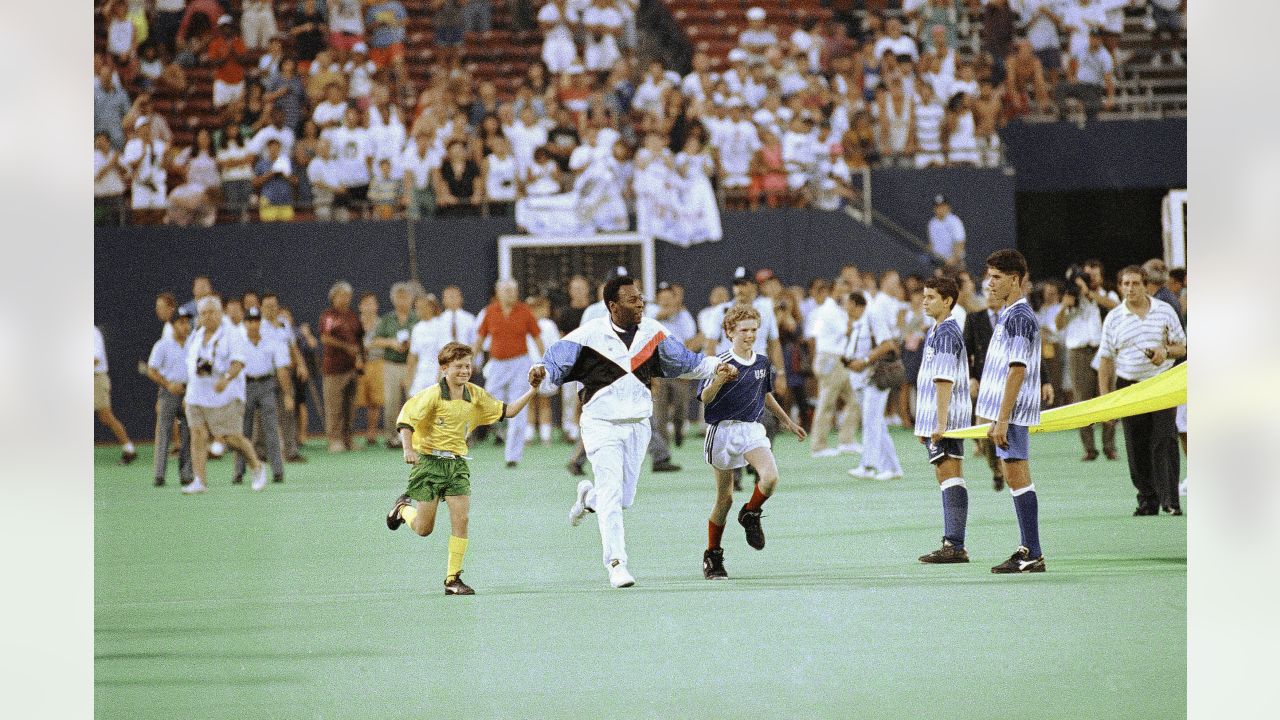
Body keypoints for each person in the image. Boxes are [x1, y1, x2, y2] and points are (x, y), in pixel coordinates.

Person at [536, 274, 734, 588]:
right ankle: (617, 564)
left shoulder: (653, 331)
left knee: (622, 498)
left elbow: (684, 361)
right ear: (613, 305)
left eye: (640, 298)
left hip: (638, 426)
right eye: (633, 300)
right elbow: (552, 370)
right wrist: (541, 377)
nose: (640, 303)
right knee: (613, 497)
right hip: (601, 426)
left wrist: (714, 367)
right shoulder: (587, 335)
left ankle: (588, 496)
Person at [386, 342, 541, 595]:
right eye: (458, 366)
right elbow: (406, 420)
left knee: (462, 519)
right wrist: (408, 449)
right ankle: (403, 510)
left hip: (457, 464)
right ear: (444, 368)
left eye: (468, 366)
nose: (465, 371)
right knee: (424, 529)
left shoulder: (475, 394)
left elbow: (509, 411)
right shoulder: (432, 395)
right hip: (429, 464)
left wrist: (533, 389)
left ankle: (452, 579)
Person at [699, 305, 807, 580]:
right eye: (743, 330)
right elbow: (705, 399)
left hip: (751, 430)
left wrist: (787, 421)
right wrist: (719, 381)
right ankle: (713, 554)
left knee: (770, 478)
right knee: (725, 498)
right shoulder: (719, 362)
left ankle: (751, 513)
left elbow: (765, 395)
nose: (749, 335)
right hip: (723, 432)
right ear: (729, 332)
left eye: (754, 330)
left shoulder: (761, 362)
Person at [974, 249, 1045, 573]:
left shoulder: (1017, 316)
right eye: (989, 276)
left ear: (1014, 280)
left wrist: (1001, 418)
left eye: (996, 277)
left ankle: (1032, 552)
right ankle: (1029, 549)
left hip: (1012, 414)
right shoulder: (1011, 313)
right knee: (1015, 478)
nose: (989, 283)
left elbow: (1017, 369)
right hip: (1008, 412)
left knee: (1018, 478)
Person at [1098, 265, 1187, 516]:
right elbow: (1106, 360)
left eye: (1135, 283)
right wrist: (1107, 399)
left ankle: (1170, 500)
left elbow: (1182, 346)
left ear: (1145, 285)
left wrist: (1165, 352)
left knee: (1165, 438)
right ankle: (1147, 499)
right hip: (1128, 385)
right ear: (1119, 286)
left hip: (1160, 382)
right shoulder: (1114, 318)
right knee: (1136, 443)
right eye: (1125, 284)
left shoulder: (1164, 311)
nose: (1130, 288)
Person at [913, 277, 973, 563]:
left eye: (931, 297)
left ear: (948, 300)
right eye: (924, 296)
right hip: (936, 418)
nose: (924, 301)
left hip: (945, 419)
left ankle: (955, 544)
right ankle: (953, 542)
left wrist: (939, 422)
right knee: (944, 474)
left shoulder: (948, 333)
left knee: (950, 473)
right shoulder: (936, 330)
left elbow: (944, 379)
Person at [183, 296, 268, 493]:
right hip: (197, 394)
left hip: (225, 395)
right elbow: (191, 365)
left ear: (220, 313)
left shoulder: (232, 334)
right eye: (204, 313)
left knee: (231, 437)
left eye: (212, 312)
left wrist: (226, 378)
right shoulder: (195, 335)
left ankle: (257, 466)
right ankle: (199, 480)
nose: (208, 316)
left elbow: (238, 362)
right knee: (197, 434)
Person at [474, 279, 543, 468]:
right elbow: (480, 339)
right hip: (497, 364)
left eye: (513, 290)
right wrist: (470, 360)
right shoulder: (490, 311)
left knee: (519, 409)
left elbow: (537, 337)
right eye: (506, 290)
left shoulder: (524, 311)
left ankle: (512, 456)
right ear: (498, 292)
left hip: (520, 363)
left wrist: (545, 361)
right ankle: (500, 428)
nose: (510, 294)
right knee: (487, 402)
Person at [1055, 259, 1119, 460]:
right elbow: (1058, 325)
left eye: (1094, 275)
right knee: (1082, 398)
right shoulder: (1072, 297)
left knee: (1107, 396)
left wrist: (1089, 292)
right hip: (1079, 352)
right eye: (1086, 276)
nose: (1089, 279)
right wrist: (1064, 306)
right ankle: (1089, 448)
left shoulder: (1107, 294)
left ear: (1100, 276)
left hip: (1103, 350)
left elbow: (1115, 307)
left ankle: (1110, 446)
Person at [846, 273, 905, 481]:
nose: (846, 308)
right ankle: (893, 467)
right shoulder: (858, 321)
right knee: (876, 422)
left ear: (855, 303)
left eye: (848, 304)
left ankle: (868, 465)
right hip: (862, 379)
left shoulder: (873, 314)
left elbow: (887, 344)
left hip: (876, 377)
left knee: (872, 422)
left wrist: (864, 361)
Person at [232, 307, 292, 485]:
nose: (254, 325)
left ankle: (278, 471)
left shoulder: (271, 341)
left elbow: (281, 369)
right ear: (245, 323)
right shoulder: (239, 343)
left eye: (256, 321)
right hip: (247, 385)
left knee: (271, 429)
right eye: (250, 321)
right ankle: (239, 471)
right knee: (244, 431)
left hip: (266, 384)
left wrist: (287, 394)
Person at [147, 306, 195, 487]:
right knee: (164, 433)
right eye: (181, 323)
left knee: (188, 434)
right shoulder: (162, 345)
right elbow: (152, 370)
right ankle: (159, 475)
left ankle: (187, 474)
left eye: (187, 322)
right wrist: (168, 385)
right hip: (169, 394)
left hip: (189, 393)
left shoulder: (194, 343)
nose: (186, 326)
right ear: (172, 325)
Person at [319, 280, 366, 452]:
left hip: (352, 368)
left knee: (350, 407)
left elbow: (360, 339)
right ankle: (334, 440)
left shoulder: (353, 316)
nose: (346, 299)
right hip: (334, 369)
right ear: (334, 297)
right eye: (342, 295)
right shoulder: (329, 316)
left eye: (348, 296)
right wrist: (346, 348)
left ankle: (348, 439)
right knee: (334, 407)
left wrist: (361, 358)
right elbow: (325, 338)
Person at [373, 282, 419, 447]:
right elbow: (375, 340)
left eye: (405, 297)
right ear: (393, 300)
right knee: (391, 402)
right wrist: (391, 343)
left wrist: (411, 343)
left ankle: (413, 437)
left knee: (413, 401)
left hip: (411, 365)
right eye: (399, 298)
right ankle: (391, 437)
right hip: (392, 364)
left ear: (411, 299)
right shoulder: (387, 319)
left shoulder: (417, 317)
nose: (402, 301)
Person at [95, 326, 137, 465]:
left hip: (96, 379)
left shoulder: (92, 332)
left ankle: (129, 449)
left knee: (106, 416)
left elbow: (95, 359)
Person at [927, 194, 965, 268]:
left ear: (948, 207)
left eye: (943, 206)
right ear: (934, 208)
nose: (940, 209)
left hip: (954, 262)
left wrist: (954, 258)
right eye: (938, 206)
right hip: (938, 261)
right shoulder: (932, 223)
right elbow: (932, 244)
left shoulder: (954, 221)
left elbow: (960, 243)